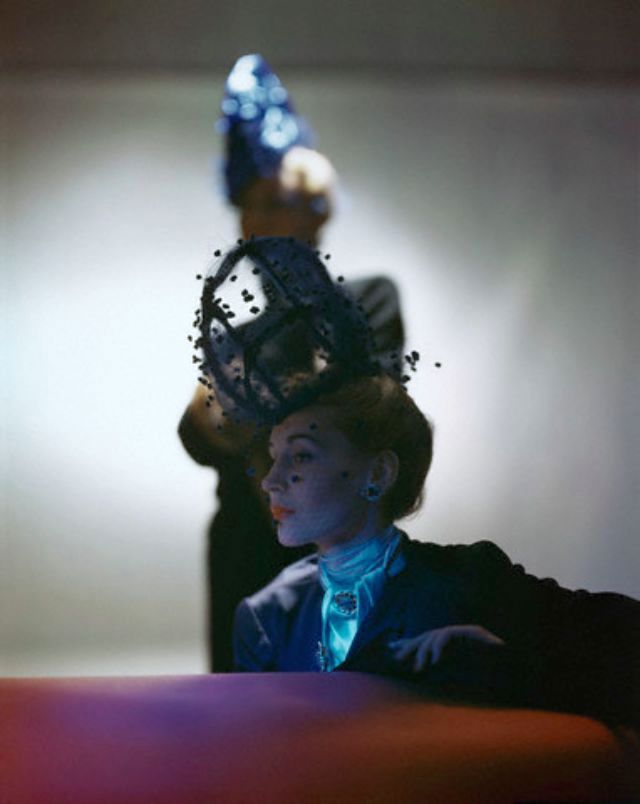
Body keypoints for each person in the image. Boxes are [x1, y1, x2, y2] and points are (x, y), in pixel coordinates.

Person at [233, 373, 640, 726]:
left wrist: (503, 666)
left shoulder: (470, 581)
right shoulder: (267, 617)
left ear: (378, 473)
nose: (271, 480)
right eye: (274, 457)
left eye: (301, 455)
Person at [179, 55, 404, 672]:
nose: (269, 221)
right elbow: (201, 435)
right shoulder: (234, 329)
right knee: (239, 706)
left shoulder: (368, 299)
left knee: (343, 701)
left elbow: (369, 407)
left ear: (320, 212)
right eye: (258, 205)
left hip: (337, 539)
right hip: (246, 544)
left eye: (288, 203)